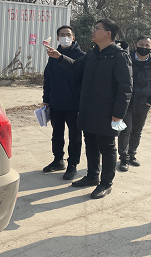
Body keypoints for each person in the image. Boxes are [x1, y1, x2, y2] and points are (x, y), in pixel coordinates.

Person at [45, 19, 132, 199]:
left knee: (107, 147)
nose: (93, 31)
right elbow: (76, 67)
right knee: (90, 143)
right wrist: (59, 57)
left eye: (97, 28)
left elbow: (125, 88)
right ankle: (92, 176)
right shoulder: (93, 53)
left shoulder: (119, 56)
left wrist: (118, 114)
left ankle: (106, 183)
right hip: (88, 108)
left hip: (107, 111)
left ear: (108, 33)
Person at [42, 25, 86, 180]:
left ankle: (72, 164)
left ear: (73, 37)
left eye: (68, 34)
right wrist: (46, 99)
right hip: (56, 102)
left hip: (74, 104)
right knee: (57, 134)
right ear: (57, 38)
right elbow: (48, 78)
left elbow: (84, 81)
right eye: (62, 34)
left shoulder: (81, 56)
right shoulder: (53, 56)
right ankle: (58, 160)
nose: (65, 37)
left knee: (75, 136)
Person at [118, 36, 151, 170]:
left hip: (143, 104)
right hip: (126, 102)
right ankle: (124, 158)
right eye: (141, 45)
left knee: (137, 131)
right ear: (135, 46)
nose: (144, 47)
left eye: (147, 45)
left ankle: (132, 154)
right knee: (125, 131)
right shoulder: (126, 59)